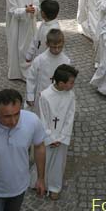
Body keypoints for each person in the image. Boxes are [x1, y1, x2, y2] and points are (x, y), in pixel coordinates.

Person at [31, 64, 78, 201]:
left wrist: (62, 137)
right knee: (43, 159)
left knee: (59, 163)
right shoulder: (45, 96)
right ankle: (40, 181)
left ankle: (54, 187)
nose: (73, 85)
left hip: (62, 137)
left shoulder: (70, 95)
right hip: (48, 135)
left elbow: (70, 116)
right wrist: (50, 138)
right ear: (61, 83)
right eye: (71, 82)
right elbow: (42, 119)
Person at [26, 29, 70, 115]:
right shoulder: (40, 60)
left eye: (60, 47)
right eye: (54, 47)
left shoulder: (66, 61)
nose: (57, 50)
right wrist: (30, 96)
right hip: (41, 95)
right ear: (47, 44)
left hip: (58, 96)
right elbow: (31, 78)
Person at [6, 0, 39, 80]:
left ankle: (30, 72)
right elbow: (12, 11)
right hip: (18, 26)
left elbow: (36, 4)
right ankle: (19, 73)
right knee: (20, 48)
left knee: (31, 47)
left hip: (30, 23)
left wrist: (33, 9)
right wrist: (25, 10)